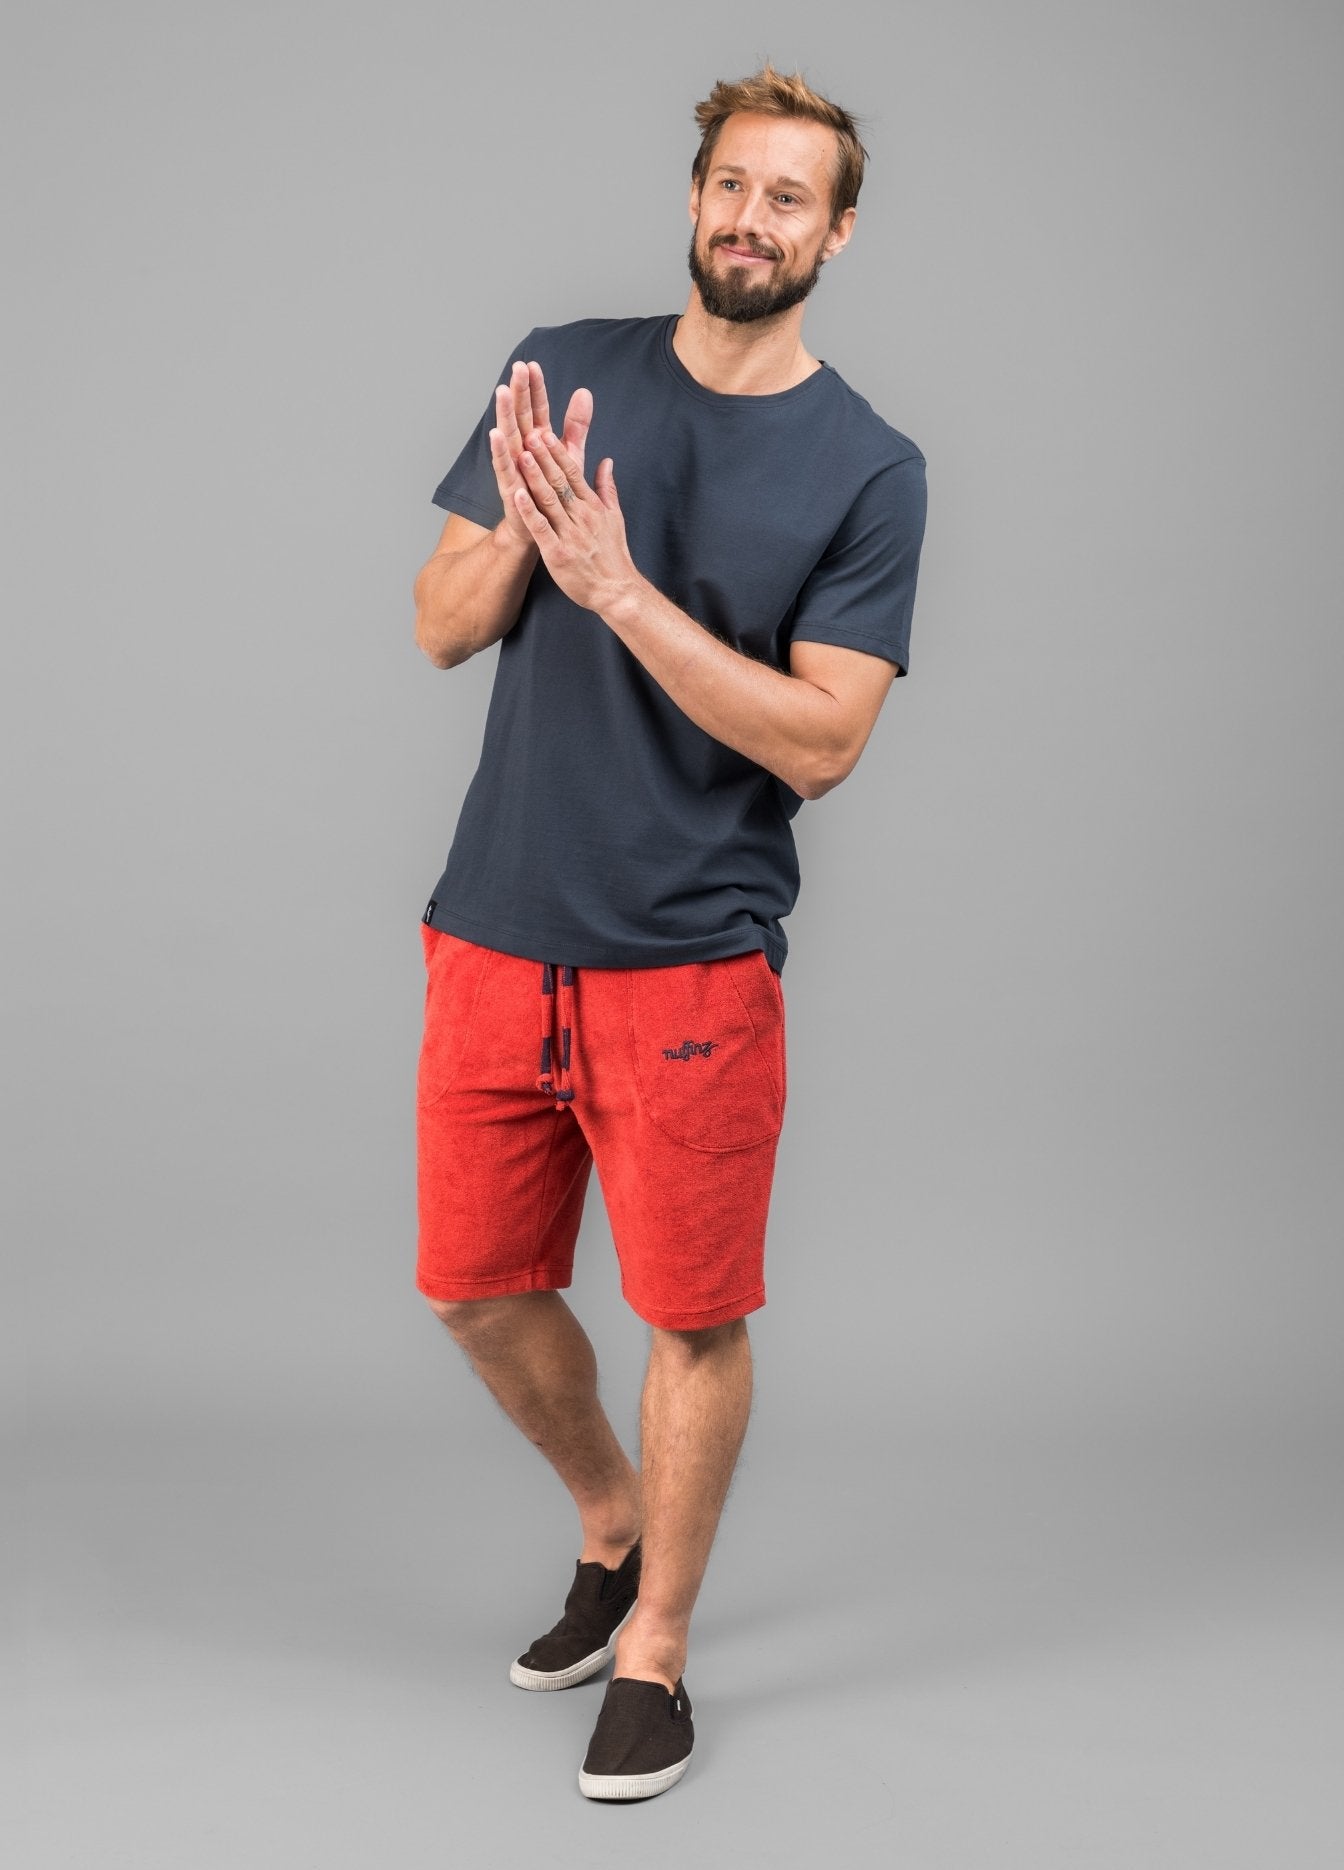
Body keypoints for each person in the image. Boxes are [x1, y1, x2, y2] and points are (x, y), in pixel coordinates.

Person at [410, 60, 928, 1801]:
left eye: (791, 197)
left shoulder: (870, 467)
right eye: (731, 185)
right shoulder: (563, 367)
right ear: (694, 200)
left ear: (838, 234)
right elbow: (437, 624)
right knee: (475, 1286)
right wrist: (527, 528)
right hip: (495, 925)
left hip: (693, 958)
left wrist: (623, 591)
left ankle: (658, 1649)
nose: (751, 217)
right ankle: (610, 1519)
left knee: (691, 1317)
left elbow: (823, 740)